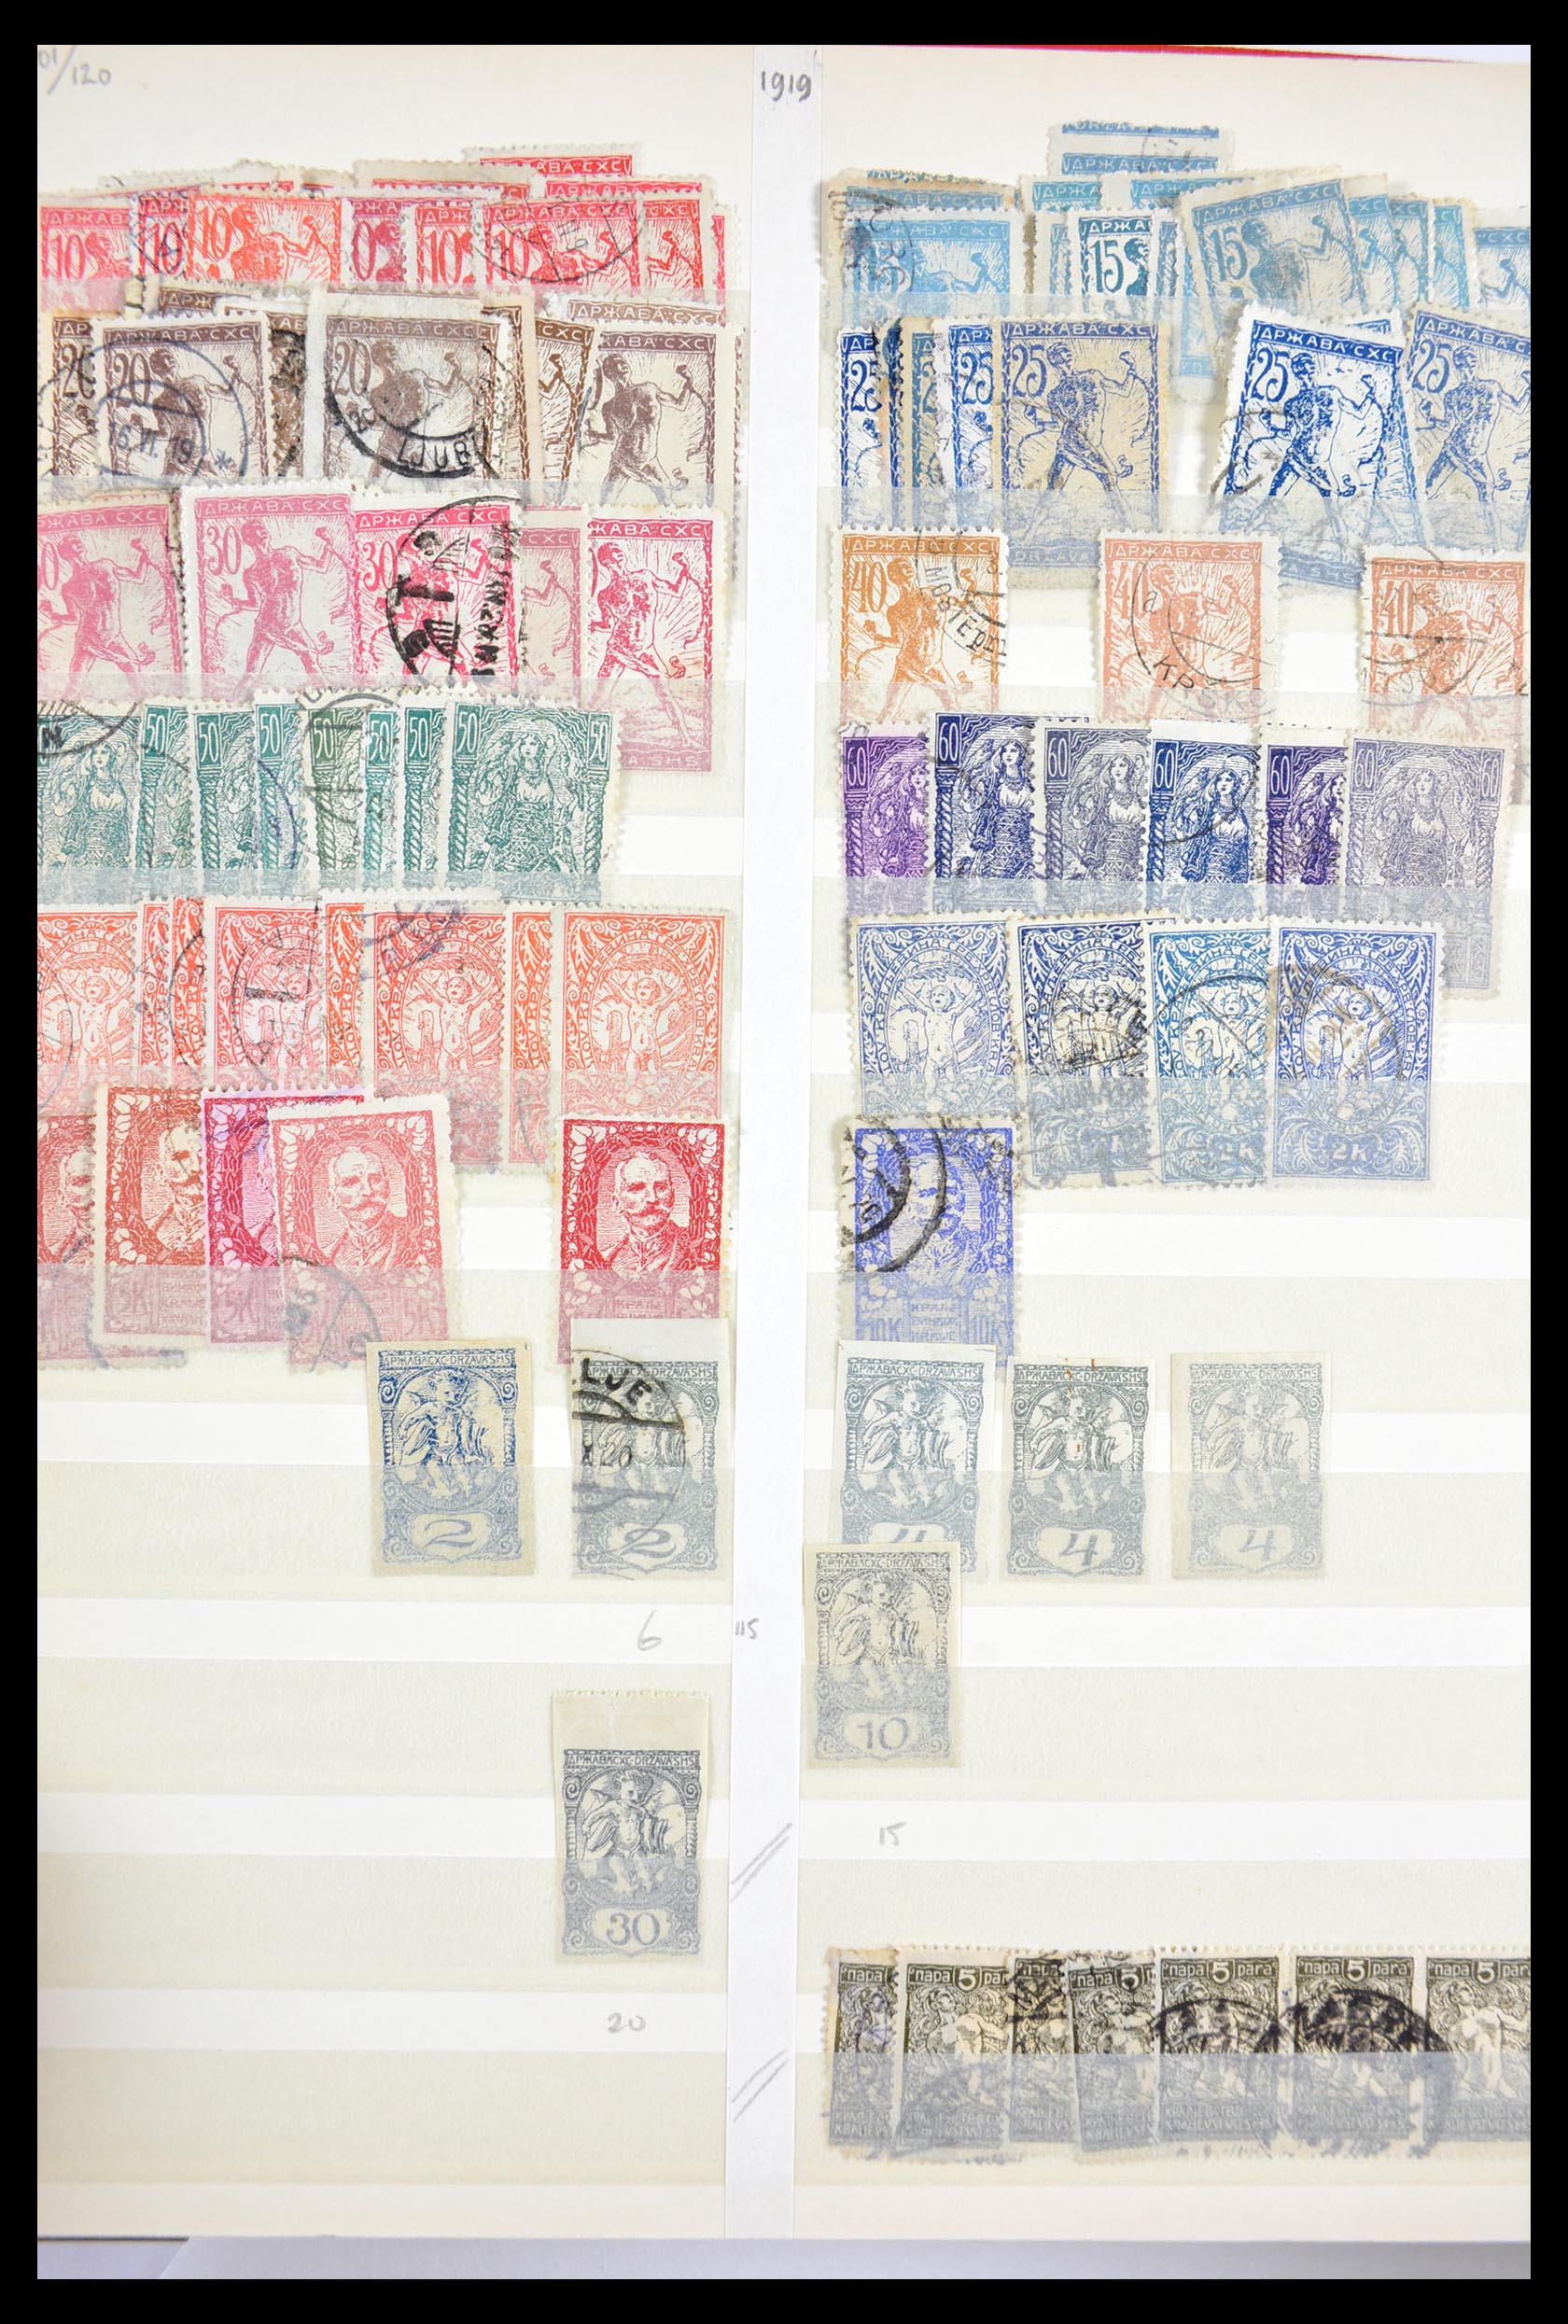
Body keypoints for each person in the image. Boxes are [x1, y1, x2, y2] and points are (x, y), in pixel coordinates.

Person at [214, 518, 343, 683]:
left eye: (263, 527)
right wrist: (234, 601)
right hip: (266, 628)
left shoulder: (289, 553)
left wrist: (328, 545)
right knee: (251, 673)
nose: (263, 529)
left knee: (313, 665)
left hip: (293, 625)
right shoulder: (251, 573)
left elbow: (321, 566)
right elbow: (256, 604)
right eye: (257, 528)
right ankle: (235, 700)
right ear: (249, 538)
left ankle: (328, 696)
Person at [581, 350, 701, 504]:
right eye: (617, 362)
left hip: (649, 461)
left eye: (623, 360)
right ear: (609, 372)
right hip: (622, 462)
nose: (623, 363)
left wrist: (688, 381)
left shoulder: (649, 388)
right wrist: (593, 434)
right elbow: (613, 437)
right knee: (604, 504)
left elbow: (680, 404)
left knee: (669, 503)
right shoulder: (609, 406)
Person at [39, 531, 158, 684]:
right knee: (75, 684)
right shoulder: (68, 588)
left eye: (78, 540)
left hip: (114, 638)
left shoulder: (105, 565)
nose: (78, 543)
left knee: (137, 678)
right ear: (65, 553)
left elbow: (138, 577)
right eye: (73, 543)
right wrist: (52, 615)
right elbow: (75, 618)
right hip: (88, 640)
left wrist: (144, 553)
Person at [323, 1144, 421, 1271]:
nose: (368, 1191)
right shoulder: (328, 1255)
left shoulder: (416, 1237)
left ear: (387, 1187)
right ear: (332, 1198)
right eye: (351, 1183)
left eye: (376, 1180)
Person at [599, 1148, 695, 1277]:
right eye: (637, 1188)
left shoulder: (695, 1248)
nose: (652, 1199)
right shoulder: (606, 1258)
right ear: (617, 1203)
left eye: (661, 1188)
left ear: (672, 1197)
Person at [858, 1383, 953, 1509]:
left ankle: (926, 1506)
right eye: (913, 1404)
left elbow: (934, 1429)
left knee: (922, 1484)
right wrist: (867, 1436)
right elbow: (877, 1425)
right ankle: (901, 1504)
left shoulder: (921, 1421)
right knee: (898, 1483)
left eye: (923, 1405)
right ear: (902, 1401)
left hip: (916, 1461)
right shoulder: (896, 1417)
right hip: (897, 1461)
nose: (918, 1409)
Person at [829, 1572, 922, 1699]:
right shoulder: (866, 1608)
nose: (886, 1600)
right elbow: (848, 1617)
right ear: (871, 1593)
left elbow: (901, 1618)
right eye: (881, 1595)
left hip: (887, 1653)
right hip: (869, 1653)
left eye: (890, 1597)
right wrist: (838, 1629)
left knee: (895, 1675)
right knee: (869, 1672)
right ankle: (879, 1696)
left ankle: (902, 1696)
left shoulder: (890, 1613)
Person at [147, 1120, 204, 1256]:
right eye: (181, 1157)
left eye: (203, 1155)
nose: (196, 1167)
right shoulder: (154, 1229)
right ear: (161, 1172)